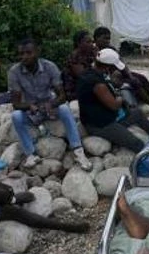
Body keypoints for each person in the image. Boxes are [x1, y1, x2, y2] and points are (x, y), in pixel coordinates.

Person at [7, 38, 92, 171]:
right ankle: (31, 154)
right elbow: (16, 103)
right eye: (21, 54)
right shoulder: (14, 72)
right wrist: (29, 106)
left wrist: (52, 104)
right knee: (16, 116)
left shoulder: (49, 67)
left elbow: (62, 96)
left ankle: (77, 150)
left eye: (28, 53)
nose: (24, 57)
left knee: (64, 109)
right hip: (32, 111)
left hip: (50, 107)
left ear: (37, 52)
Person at [77, 48, 149, 153]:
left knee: (137, 113)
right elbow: (114, 105)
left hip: (107, 115)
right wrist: (119, 96)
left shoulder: (89, 72)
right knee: (137, 143)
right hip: (101, 124)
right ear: (108, 67)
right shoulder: (98, 84)